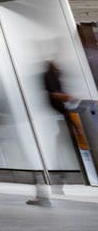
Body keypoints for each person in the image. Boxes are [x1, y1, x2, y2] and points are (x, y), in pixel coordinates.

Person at [30, 59, 75, 206]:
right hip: (55, 120)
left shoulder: (51, 76)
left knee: (59, 152)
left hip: (55, 121)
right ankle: (54, 186)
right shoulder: (49, 77)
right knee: (59, 153)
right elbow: (54, 95)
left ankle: (52, 187)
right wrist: (68, 97)